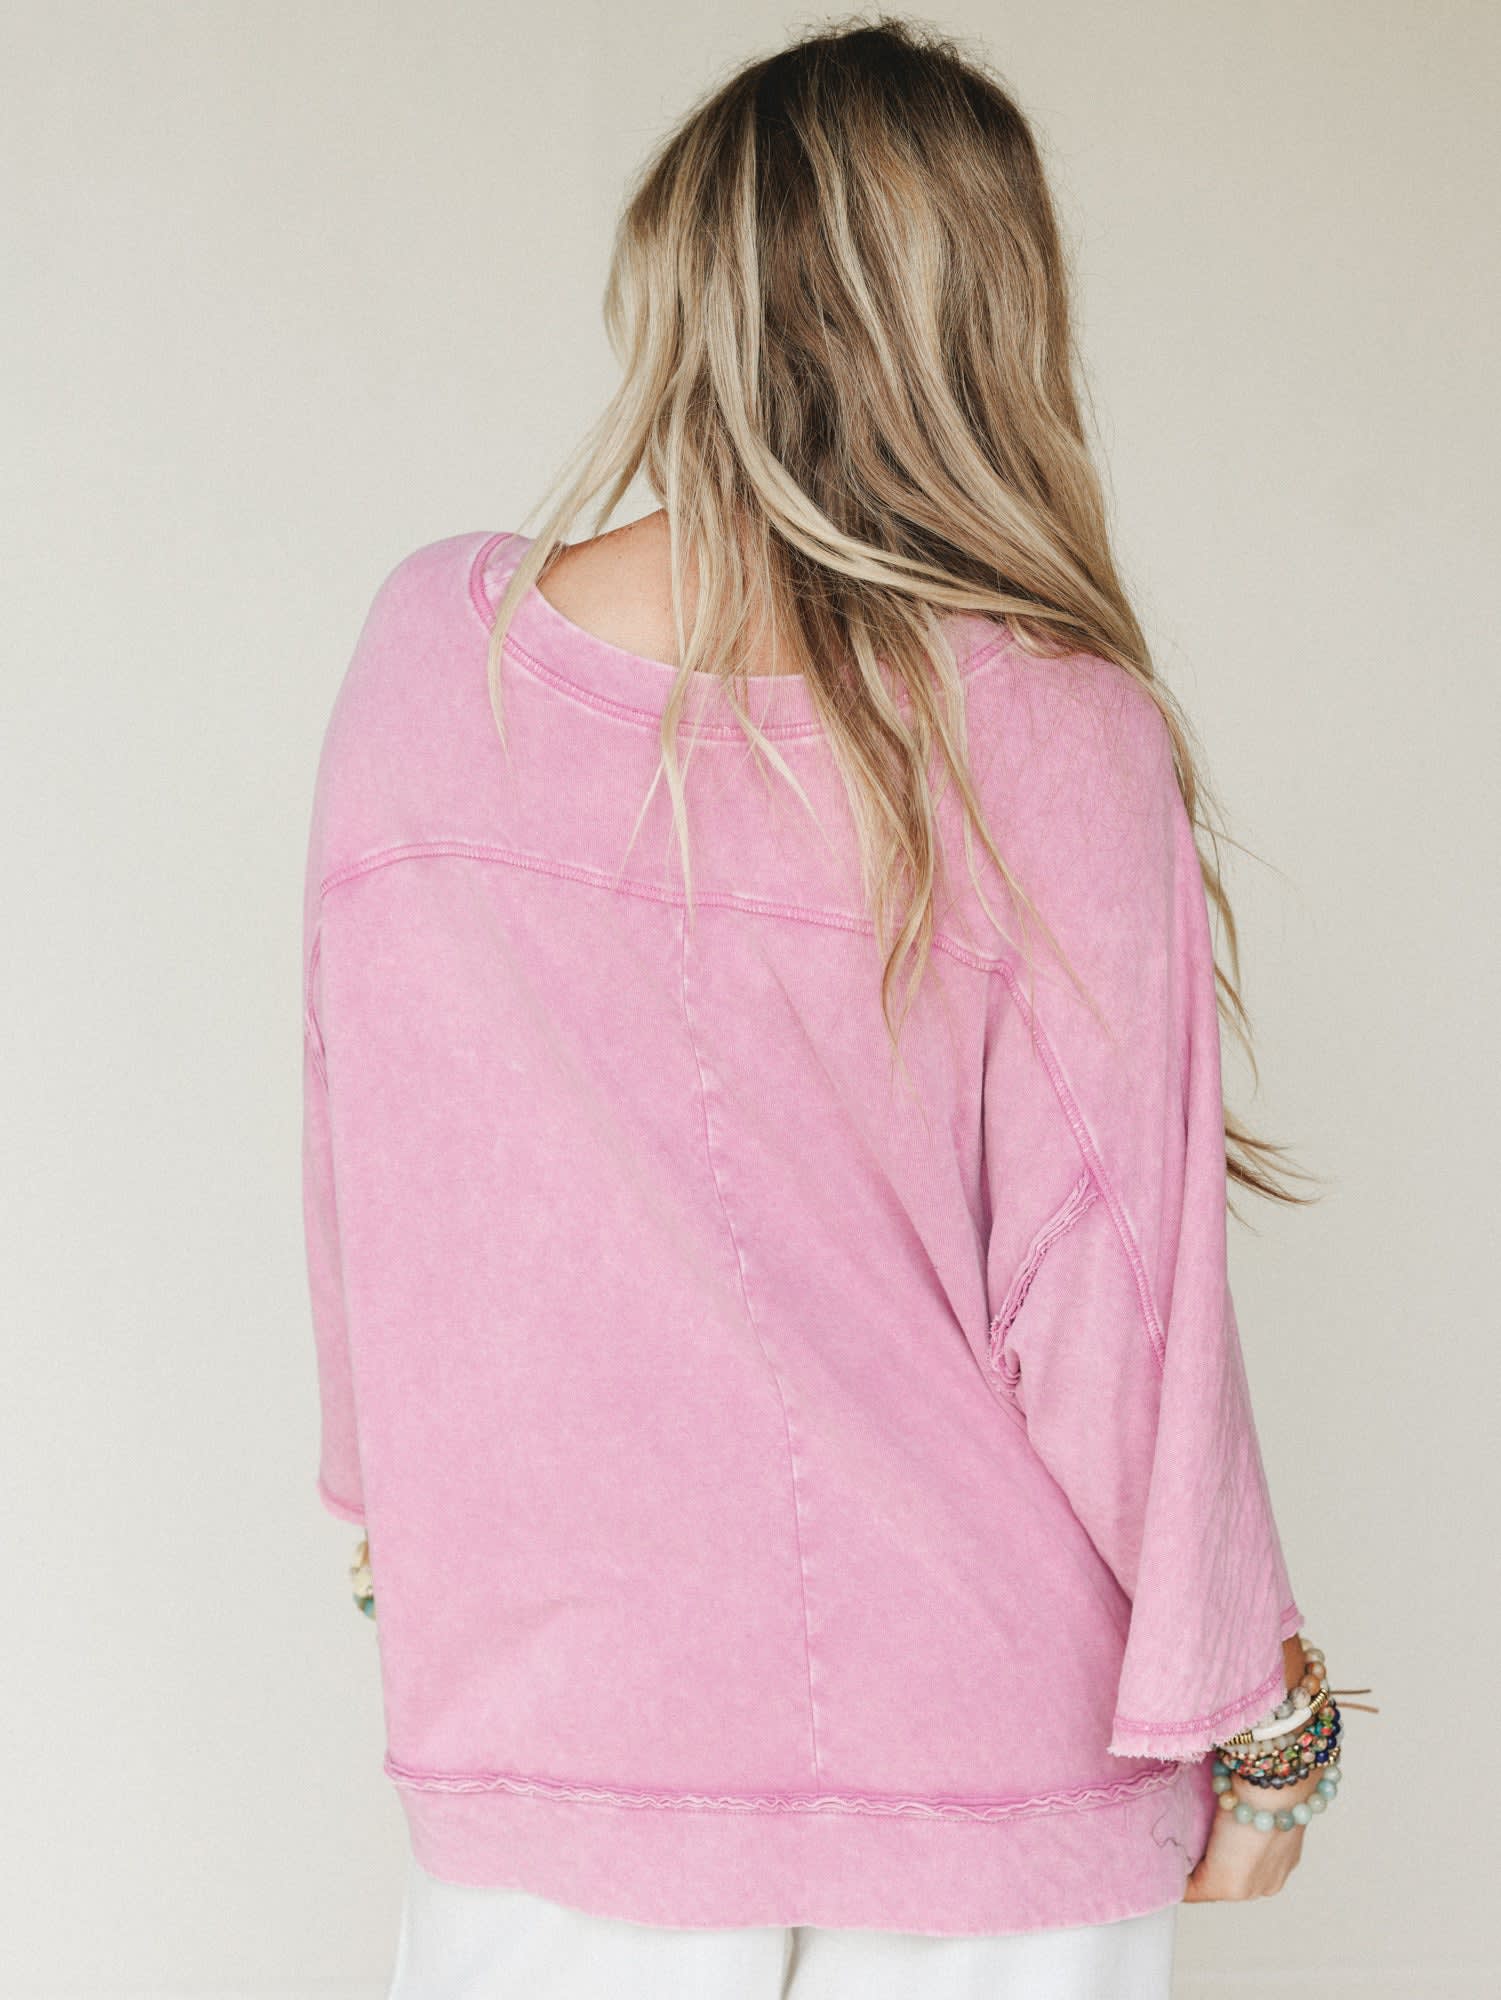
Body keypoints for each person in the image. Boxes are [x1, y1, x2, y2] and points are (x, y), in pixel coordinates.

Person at [300, 17, 1363, 1996]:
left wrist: (403, 1526)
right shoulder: (1053, 725)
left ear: (682, 287)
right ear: (993, 326)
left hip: (561, 1718)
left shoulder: (437, 663)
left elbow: (372, 1151)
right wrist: (1262, 1720)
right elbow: (1112, 1303)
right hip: (990, 1755)